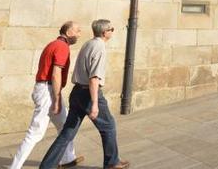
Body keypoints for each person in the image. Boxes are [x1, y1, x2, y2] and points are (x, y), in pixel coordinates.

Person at [39, 19, 129, 169]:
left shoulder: (88, 44)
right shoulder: (99, 47)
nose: (113, 31)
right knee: (108, 126)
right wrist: (94, 104)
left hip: (77, 93)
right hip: (89, 93)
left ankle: (47, 166)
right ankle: (112, 163)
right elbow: (94, 78)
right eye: (111, 29)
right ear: (105, 32)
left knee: (67, 133)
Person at [10, 22, 84, 169]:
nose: (79, 34)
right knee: (35, 133)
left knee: (65, 125)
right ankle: (14, 167)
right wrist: (56, 99)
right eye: (77, 31)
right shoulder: (62, 47)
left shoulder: (54, 44)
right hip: (47, 91)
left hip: (47, 89)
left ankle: (68, 158)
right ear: (69, 32)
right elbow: (56, 74)